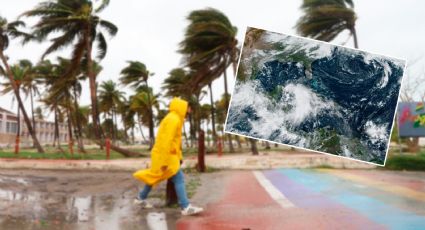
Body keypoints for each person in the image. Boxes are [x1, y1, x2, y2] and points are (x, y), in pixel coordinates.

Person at [133, 97, 204, 216]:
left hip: (165, 154)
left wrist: (179, 157)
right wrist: (165, 161)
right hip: (165, 155)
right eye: (189, 108)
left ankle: (140, 198)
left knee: (155, 176)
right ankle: (185, 207)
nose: (190, 111)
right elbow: (166, 141)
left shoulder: (175, 118)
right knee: (178, 178)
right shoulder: (173, 119)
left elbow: (174, 142)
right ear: (184, 107)